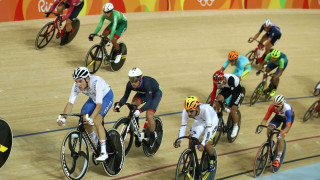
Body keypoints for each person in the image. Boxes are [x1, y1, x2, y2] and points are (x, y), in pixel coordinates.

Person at [57, 67, 114, 162]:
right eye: (76, 81)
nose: (78, 84)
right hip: (93, 98)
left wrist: (91, 118)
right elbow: (70, 103)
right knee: (84, 119)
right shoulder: (76, 86)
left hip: (105, 97)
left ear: (87, 79)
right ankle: (95, 141)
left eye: (80, 81)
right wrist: (64, 118)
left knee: (96, 120)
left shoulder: (97, 82)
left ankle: (104, 152)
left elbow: (99, 105)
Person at [113, 67, 162, 148]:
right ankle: (137, 130)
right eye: (131, 79)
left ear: (140, 78)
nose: (133, 83)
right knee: (133, 106)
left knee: (149, 115)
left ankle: (153, 135)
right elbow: (125, 97)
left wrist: (139, 111)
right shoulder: (130, 84)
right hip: (143, 93)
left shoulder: (147, 84)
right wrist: (119, 105)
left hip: (154, 94)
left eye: (135, 80)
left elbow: (149, 102)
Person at [174, 96, 218, 172]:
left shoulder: (206, 110)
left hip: (212, 122)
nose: (188, 113)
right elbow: (183, 126)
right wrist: (179, 140)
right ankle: (191, 165)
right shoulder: (186, 112)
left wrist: (203, 144)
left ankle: (212, 160)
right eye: (187, 110)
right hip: (200, 122)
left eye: (191, 111)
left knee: (207, 143)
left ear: (197, 108)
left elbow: (208, 130)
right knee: (191, 140)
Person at [255, 95, 294, 167]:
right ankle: (271, 142)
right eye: (275, 105)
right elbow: (265, 119)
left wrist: (281, 133)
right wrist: (260, 128)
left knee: (280, 138)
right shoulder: (272, 107)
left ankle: (278, 158)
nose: (275, 107)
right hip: (278, 117)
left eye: (278, 106)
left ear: (282, 105)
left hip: (287, 120)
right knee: (269, 128)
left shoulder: (288, 110)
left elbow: (288, 127)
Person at [211, 70, 242, 138]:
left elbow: (234, 95)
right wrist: (211, 102)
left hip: (236, 90)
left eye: (219, 83)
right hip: (227, 88)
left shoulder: (230, 79)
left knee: (233, 110)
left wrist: (230, 107)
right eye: (216, 83)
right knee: (217, 101)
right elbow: (214, 92)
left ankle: (235, 126)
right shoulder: (217, 81)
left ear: (223, 79)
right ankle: (219, 117)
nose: (218, 85)